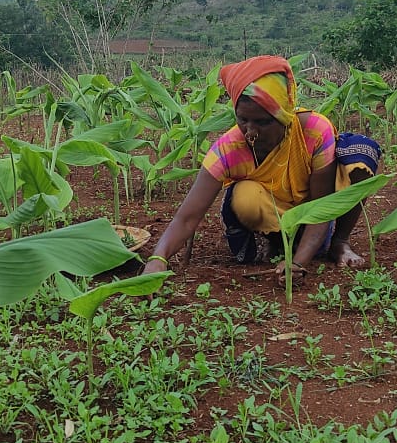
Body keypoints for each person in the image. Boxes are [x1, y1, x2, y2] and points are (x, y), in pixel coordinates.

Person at [140, 55, 381, 277]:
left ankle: (339, 243)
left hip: (313, 214)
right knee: (244, 196)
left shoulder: (313, 131)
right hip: (272, 213)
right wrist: (157, 259)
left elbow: (321, 206)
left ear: (284, 115)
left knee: (360, 154)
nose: (250, 131)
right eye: (243, 119)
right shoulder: (227, 150)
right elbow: (186, 218)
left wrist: (297, 263)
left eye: (263, 122)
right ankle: (275, 241)